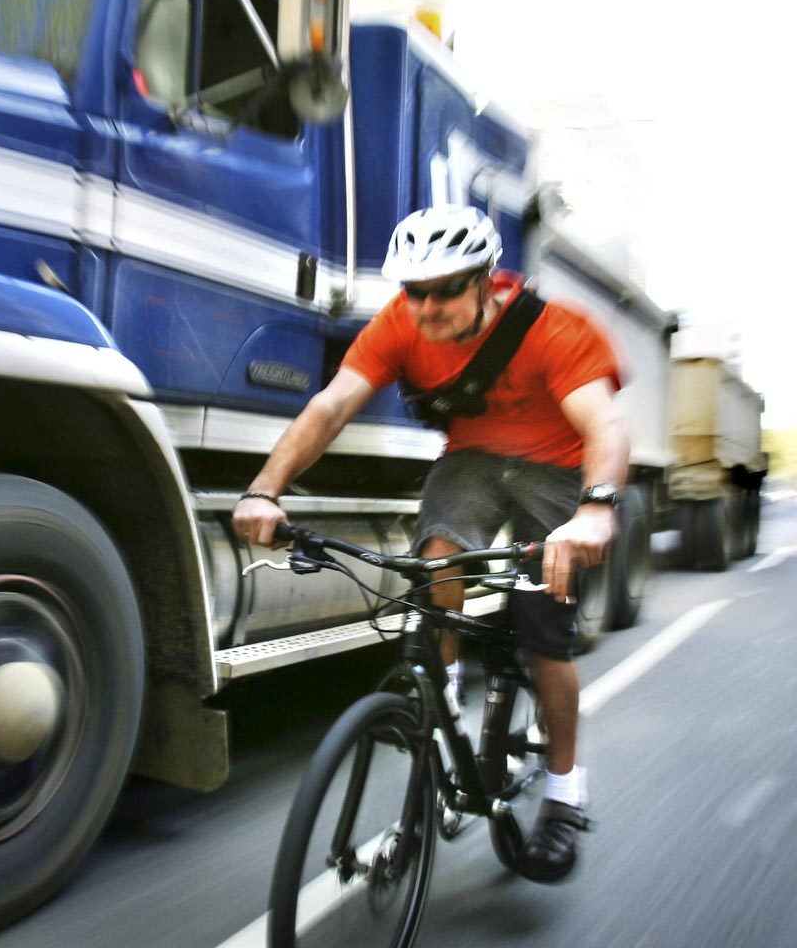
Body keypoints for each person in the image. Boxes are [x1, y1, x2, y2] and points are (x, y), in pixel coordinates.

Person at [232, 204, 628, 881]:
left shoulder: (554, 329)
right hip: (472, 462)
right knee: (435, 560)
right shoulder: (399, 327)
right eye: (416, 291)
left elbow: (605, 425)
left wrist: (594, 511)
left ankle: (564, 795)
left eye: (447, 288)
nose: (430, 306)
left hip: (557, 470)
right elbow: (331, 405)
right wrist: (264, 488)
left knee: (544, 636)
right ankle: (437, 691)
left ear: (485, 281)